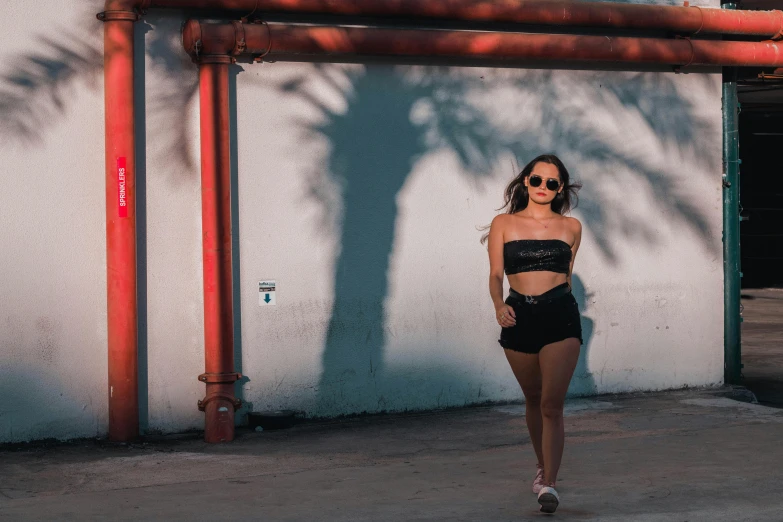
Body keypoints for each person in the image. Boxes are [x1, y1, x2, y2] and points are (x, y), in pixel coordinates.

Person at [484, 154, 583, 514]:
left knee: (551, 404)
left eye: (552, 183)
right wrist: (498, 304)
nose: (544, 187)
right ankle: (542, 467)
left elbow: (567, 276)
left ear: (560, 189)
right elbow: (496, 273)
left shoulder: (572, 227)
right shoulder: (503, 223)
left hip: (560, 316)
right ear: (526, 181)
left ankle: (550, 485)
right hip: (518, 315)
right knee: (532, 398)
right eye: (537, 180)